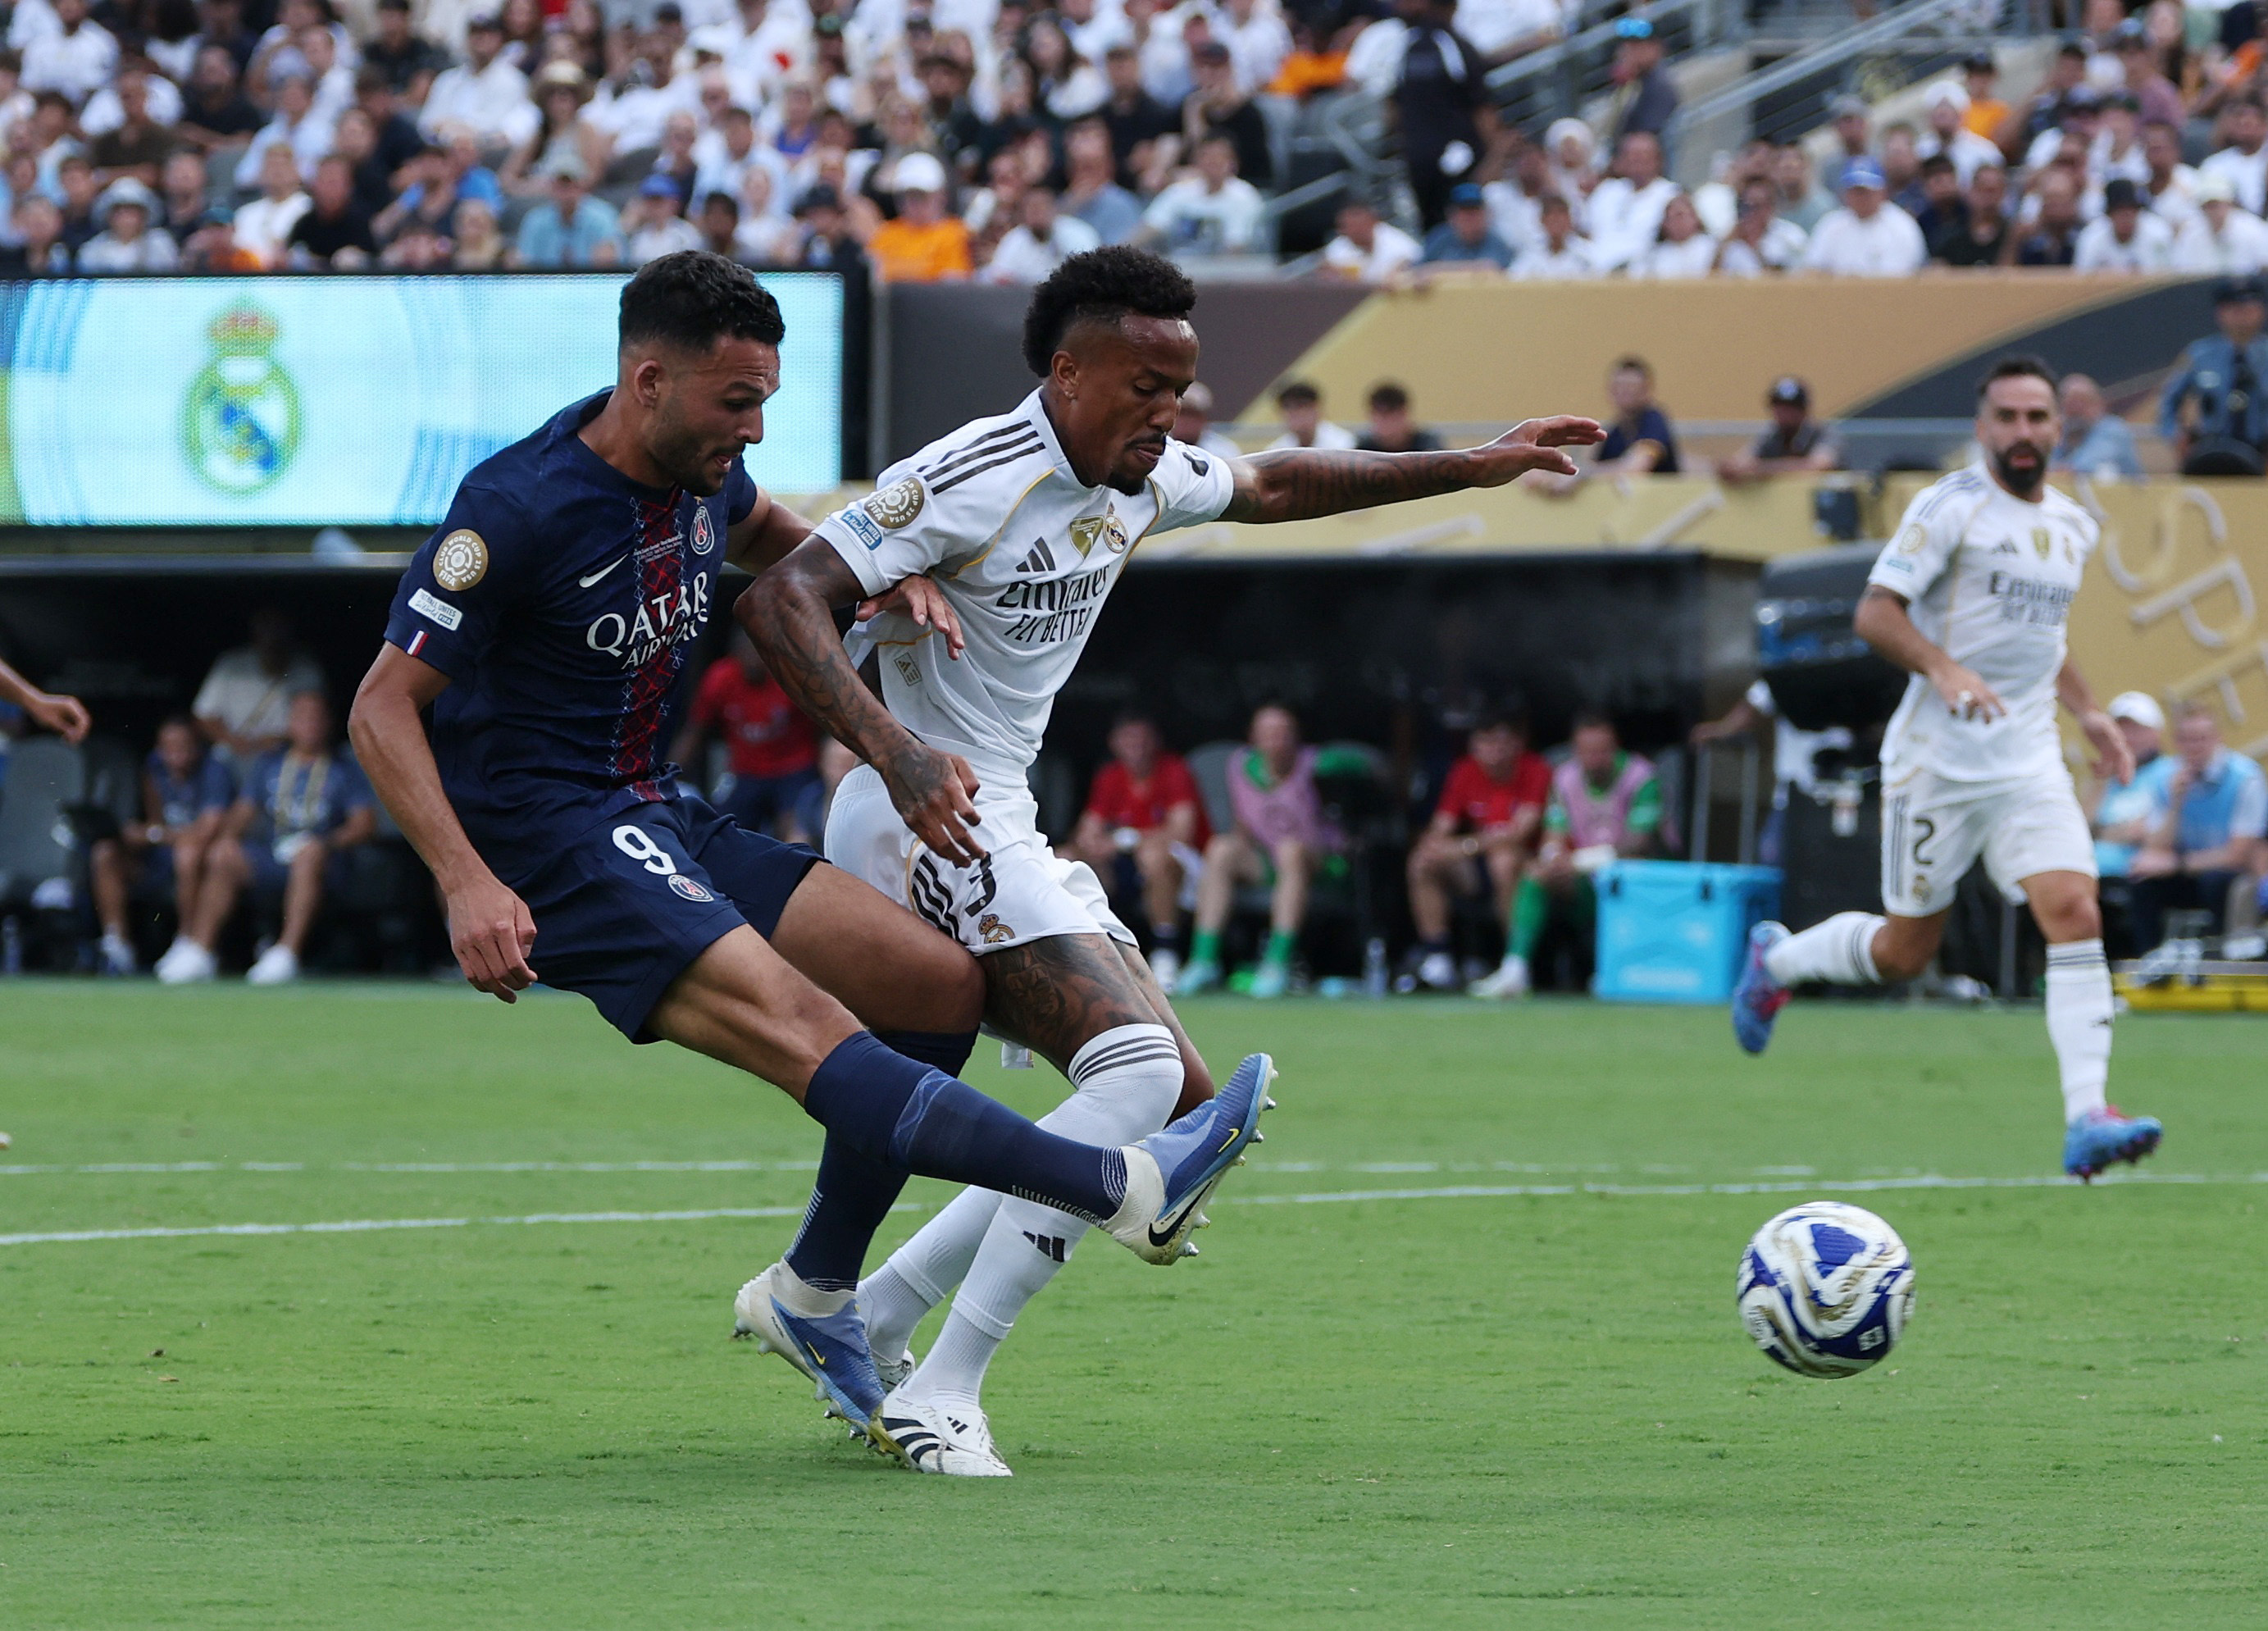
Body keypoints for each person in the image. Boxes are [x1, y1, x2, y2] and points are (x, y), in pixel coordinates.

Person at [352, 251, 1275, 1474]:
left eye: (765, 399)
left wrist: (900, 584)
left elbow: (783, 546)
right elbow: (380, 706)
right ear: (646, 381)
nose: (755, 426)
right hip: (551, 841)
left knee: (931, 985)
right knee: (808, 1031)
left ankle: (816, 1290)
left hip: (658, 810)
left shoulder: (705, 475)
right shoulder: (515, 506)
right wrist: (468, 879)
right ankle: (1112, 1183)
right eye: (736, 402)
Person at [744, 246, 1597, 1473]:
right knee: (1138, 1075)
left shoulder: (1136, 478)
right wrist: (896, 750)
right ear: (1067, 369)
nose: (1169, 411)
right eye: (1146, 384)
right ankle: (941, 1390)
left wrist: (1472, 461)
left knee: (1172, 1093)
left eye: (1181, 386)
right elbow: (783, 597)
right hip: (924, 808)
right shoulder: (973, 471)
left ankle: (864, 1312)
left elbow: (1276, 484)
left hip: (998, 808)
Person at [1731, 354, 2163, 1185]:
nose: (2024, 432)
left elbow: (2044, 640)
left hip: (2028, 756)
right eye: (2008, 418)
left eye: (2038, 417)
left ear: (2058, 426)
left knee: (2073, 909)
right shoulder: (1950, 508)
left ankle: (2087, 1119)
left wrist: (2093, 711)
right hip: (1939, 762)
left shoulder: (2072, 525)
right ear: (1984, 426)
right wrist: (1944, 669)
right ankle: (1776, 962)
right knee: (1904, 951)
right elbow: (1875, 613)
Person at [1178, 703, 1350, 998]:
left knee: (1290, 851)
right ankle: (1204, 960)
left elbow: (1365, 767)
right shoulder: (1239, 766)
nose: (1277, 741)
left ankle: (1276, 963)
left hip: (1318, 860)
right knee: (1221, 849)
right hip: (1267, 860)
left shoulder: (1316, 763)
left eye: (1284, 733)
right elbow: (1243, 823)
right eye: (1269, 733)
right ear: (1253, 738)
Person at [210, 690, 376, 986]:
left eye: (316, 718)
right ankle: (198, 948)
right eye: (302, 717)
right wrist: (226, 838)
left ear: (329, 723)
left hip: (324, 862)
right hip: (273, 856)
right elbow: (242, 813)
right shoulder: (269, 763)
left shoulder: (345, 767)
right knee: (224, 854)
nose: (309, 725)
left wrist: (326, 843)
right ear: (290, 724)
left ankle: (287, 952)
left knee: (308, 855)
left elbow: (364, 824)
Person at [1404, 710, 1551, 996]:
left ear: (1517, 744)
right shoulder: (1464, 771)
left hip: (1523, 866)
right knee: (1423, 861)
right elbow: (1441, 826)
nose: (1494, 752)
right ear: (1474, 745)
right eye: (1486, 744)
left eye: (1501, 743)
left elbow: (1519, 833)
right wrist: (1435, 845)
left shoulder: (1535, 769)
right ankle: (1438, 961)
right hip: (1473, 868)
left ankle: (1515, 964)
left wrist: (1464, 846)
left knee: (1503, 861)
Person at [1062, 711, 1209, 989]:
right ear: (1114, 742)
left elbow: (1182, 832)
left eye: (1142, 739)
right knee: (1065, 859)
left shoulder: (1174, 769)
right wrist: (1091, 843)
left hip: (1182, 864)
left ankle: (1166, 951)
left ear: (1155, 742)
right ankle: (1082, 954)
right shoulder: (1110, 776)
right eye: (1129, 739)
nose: (1136, 746)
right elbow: (1088, 829)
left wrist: (1123, 840)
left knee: (1153, 856)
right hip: (1123, 866)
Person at [1506, 713, 1657, 983]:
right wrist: (1553, 858)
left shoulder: (1641, 776)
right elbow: (1554, 834)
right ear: (1575, 751)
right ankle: (1514, 970)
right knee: (1535, 874)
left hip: (1634, 879)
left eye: (1603, 751)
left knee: (1627, 870)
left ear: (1616, 748)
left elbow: (1639, 842)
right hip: (1584, 877)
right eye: (1588, 752)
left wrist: (1578, 862)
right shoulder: (1564, 777)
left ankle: (1613, 971)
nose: (1596, 759)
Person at [90, 716, 234, 977]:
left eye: (183, 745)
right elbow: (153, 821)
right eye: (169, 746)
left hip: (196, 861)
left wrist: (156, 835)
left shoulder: (214, 770)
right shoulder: (154, 768)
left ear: (197, 746)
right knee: (105, 853)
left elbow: (206, 831)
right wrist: (145, 834)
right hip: (158, 859)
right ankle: (117, 946)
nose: (176, 753)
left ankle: (187, 941)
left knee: (188, 853)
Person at [2126, 705, 2267, 950]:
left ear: (2218, 738)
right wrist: (2176, 803)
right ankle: (2147, 957)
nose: (2194, 747)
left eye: (2201, 739)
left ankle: (2218, 958)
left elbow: (2238, 855)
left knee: (2216, 882)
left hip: (2229, 872)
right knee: (2142, 882)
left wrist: (2177, 864)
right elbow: (2156, 846)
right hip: (2190, 867)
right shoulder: (2165, 778)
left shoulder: (2246, 778)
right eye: (2187, 740)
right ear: (2176, 742)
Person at [669, 628, 819, 841]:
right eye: (746, 653)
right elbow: (695, 730)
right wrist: (668, 775)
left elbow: (821, 724)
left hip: (793, 767)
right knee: (724, 830)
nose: (753, 660)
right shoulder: (721, 678)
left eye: (758, 653)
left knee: (794, 829)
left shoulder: (789, 675)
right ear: (734, 654)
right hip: (745, 772)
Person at [1689, 677, 1852, 868]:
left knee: (1840, 858)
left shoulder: (1850, 670)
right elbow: (1754, 704)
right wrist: (1722, 730)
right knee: (1771, 853)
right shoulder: (1789, 669)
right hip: (1793, 793)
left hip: (1846, 793)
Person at [2088, 690, 2172, 958]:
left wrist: (2102, 831)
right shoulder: (2106, 778)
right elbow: (2081, 828)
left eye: (2136, 729)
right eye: (2121, 730)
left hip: (2133, 874)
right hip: (2092, 873)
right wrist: (2101, 780)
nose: (2128, 737)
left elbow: (2143, 832)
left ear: (2155, 733)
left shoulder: (2169, 773)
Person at [2158, 276, 2268, 476]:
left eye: (2249, 308)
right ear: (2220, 313)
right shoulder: (2200, 355)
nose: (2242, 315)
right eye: (2234, 309)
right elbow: (2169, 400)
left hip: (2263, 451)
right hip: (2211, 451)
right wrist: (2176, 436)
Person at [1391, 0, 1487, 229]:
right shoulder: (1408, 45)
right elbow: (1394, 100)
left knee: (1459, 214)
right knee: (1430, 221)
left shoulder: (1452, 44)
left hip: (1455, 152)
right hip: (1420, 155)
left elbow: (1480, 104)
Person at [193, 608, 324, 766]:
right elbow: (203, 715)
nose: (272, 639)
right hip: (236, 752)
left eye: (278, 632)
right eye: (267, 631)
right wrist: (235, 742)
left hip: (285, 752)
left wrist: (279, 739)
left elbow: (318, 720)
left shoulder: (307, 670)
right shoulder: (231, 665)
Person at [1137, 132, 1265, 256]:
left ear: (1234, 162)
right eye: (1207, 156)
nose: (1213, 161)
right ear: (1196, 161)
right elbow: (1151, 226)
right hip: (1179, 267)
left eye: (1220, 156)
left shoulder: (1244, 197)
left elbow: (1236, 248)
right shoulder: (1179, 191)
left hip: (1226, 272)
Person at [1802, 158, 1925, 276]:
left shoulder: (1902, 225)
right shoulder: (1831, 225)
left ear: (1882, 191)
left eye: (1866, 191)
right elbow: (1813, 269)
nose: (1860, 197)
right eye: (1855, 191)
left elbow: (1911, 273)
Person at [866, 150, 972, 282]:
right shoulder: (887, 233)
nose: (913, 204)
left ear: (941, 196)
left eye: (921, 196)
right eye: (908, 196)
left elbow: (952, 281)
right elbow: (872, 277)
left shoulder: (955, 233)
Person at [1719, 376, 1840, 483]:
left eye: (1791, 407)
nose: (1784, 414)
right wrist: (1732, 468)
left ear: (1803, 410)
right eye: (1779, 407)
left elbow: (1820, 466)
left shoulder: (1822, 432)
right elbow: (1743, 460)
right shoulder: (1772, 435)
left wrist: (1762, 469)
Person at [511, 153, 622, 268]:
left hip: (590, 284)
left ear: (582, 185)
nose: (565, 193)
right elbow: (524, 264)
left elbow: (606, 266)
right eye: (560, 185)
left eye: (570, 184)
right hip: (546, 284)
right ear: (551, 186)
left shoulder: (603, 217)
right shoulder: (536, 220)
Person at [2170, 175, 2268, 274]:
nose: (2213, 211)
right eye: (2207, 206)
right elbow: (2181, 272)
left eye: (2216, 205)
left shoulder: (2254, 230)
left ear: (2229, 204)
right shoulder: (2190, 233)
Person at [2052, 373, 2143, 479]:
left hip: (2124, 493)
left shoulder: (2114, 430)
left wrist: (2061, 470)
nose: (2076, 409)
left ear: (2099, 404)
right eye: (2070, 403)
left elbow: (2091, 461)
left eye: (2083, 402)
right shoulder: (2059, 430)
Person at [1603, 15, 1675, 143]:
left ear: (1656, 48)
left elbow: (1647, 136)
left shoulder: (1660, 86)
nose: (1629, 52)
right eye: (1627, 46)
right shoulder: (1634, 83)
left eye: (1638, 46)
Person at [1321, 195, 1421, 283]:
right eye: (1348, 227)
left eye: (1359, 226)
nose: (1355, 231)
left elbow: (1416, 265)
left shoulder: (1399, 245)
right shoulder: (1338, 248)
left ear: (1374, 221)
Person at [1423, 179, 1512, 268]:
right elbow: (1419, 270)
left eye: (1475, 212)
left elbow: (1491, 268)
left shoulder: (1496, 242)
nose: (1470, 218)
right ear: (1451, 215)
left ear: (1486, 214)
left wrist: (1437, 268)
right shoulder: (1440, 239)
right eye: (1464, 212)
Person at [1266, 380, 1355, 450]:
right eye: (1287, 407)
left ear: (1317, 410)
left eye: (1302, 405)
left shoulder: (1344, 444)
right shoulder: (1277, 450)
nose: (1295, 413)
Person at [1356, 380, 1441, 453]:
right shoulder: (1363, 450)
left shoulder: (1428, 448)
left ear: (1404, 413)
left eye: (1390, 415)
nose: (1385, 422)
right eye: (1379, 416)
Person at [1172, 379, 1241, 459]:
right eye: (1181, 414)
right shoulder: (1159, 447)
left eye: (1193, 415)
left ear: (1204, 419)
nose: (1186, 421)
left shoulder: (1224, 451)